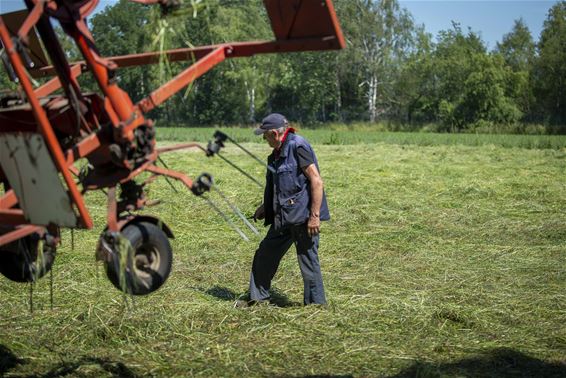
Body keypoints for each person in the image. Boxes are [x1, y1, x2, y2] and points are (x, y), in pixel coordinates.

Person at [237, 113, 330, 307]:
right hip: (283, 218)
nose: (263, 138)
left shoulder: (298, 146)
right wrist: (266, 207)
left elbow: (316, 181)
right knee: (264, 254)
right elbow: (281, 186)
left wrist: (314, 217)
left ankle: (316, 307)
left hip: (303, 218)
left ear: (273, 133)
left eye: (264, 135)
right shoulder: (275, 155)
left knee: (308, 262)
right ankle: (258, 300)